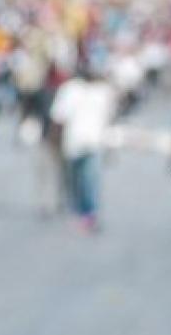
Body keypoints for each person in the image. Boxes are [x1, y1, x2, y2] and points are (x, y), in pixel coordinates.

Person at [49, 62, 117, 232]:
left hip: (93, 142)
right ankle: (80, 211)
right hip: (74, 142)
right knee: (76, 180)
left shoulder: (103, 92)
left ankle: (89, 214)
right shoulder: (70, 90)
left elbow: (109, 118)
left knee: (89, 180)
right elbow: (59, 118)